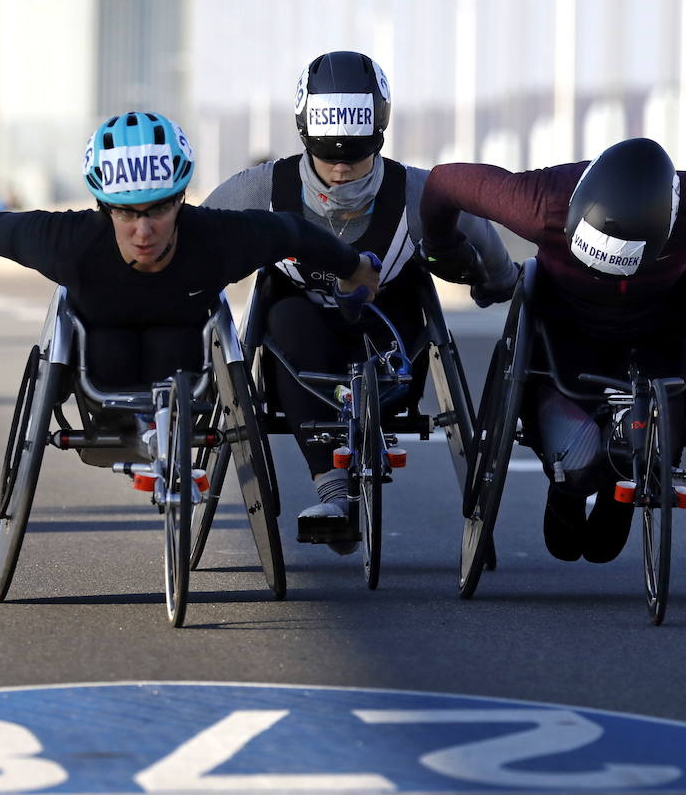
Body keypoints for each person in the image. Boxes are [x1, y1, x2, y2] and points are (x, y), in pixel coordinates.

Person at [420, 137, 686, 563]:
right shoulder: (539, 200)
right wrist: (442, 250)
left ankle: (622, 488)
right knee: (576, 468)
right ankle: (567, 489)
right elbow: (443, 182)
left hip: (657, 332)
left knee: (638, 477)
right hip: (563, 334)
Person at [202, 51, 518, 553]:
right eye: (330, 158)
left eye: (355, 156)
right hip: (299, 339)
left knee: (393, 308)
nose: (342, 170)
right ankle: (331, 489)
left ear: (379, 133)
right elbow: (196, 242)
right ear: (306, 137)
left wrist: (496, 282)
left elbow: (480, 232)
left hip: (389, 336)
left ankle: (356, 458)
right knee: (285, 314)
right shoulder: (262, 188)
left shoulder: (415, 192)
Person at [0, 111, 379, 392]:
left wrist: (353, 267)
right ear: (103, 206)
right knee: (108, 350)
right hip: (99, 362)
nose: (143, 229)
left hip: (183, 363)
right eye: (125, 213)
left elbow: (292, 232)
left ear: (180, 199)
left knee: (173, 348)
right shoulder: (71, 241)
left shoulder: (217, 235)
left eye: (158, 211)